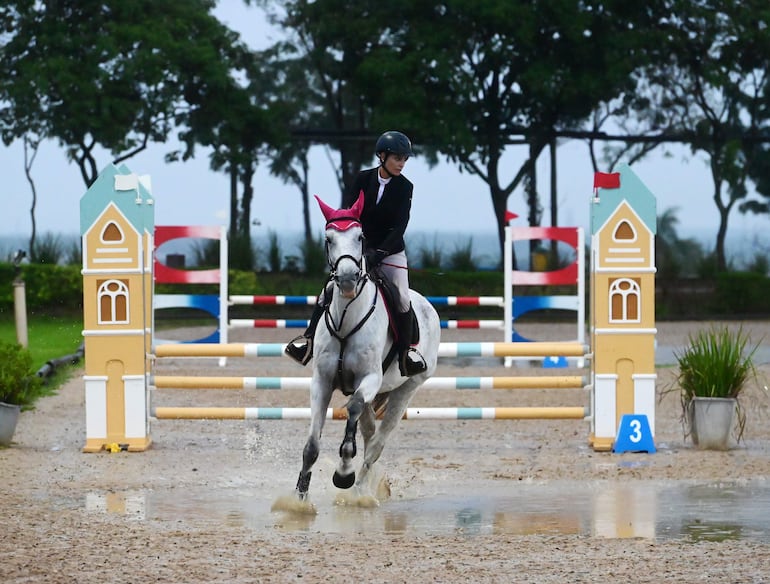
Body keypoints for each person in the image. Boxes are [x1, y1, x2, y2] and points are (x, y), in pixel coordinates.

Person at [285, 130, 427, 376]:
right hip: (359, 247)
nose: (402, 163)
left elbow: (400, 225)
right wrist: (357, 248)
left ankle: (407, 352)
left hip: (391, 251)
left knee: (403, 297)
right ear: (382, 156)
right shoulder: (362, 179)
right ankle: (307, 340)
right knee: (329, 289)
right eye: (398, 158)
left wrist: (380, 252)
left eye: (405, 159)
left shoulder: (406, 187)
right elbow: (351, 215)